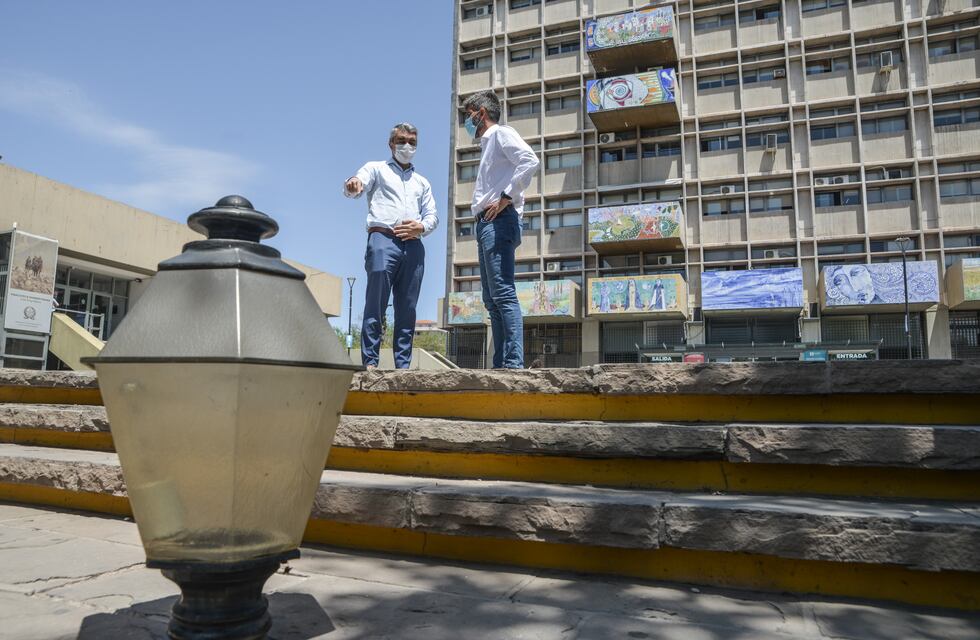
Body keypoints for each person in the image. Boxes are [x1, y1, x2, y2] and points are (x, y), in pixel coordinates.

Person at [344, 123, 438, 369]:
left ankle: (403, 366)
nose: (407, 146)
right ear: (391, 144)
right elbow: (357, 183)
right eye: (401, 140)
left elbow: (432, 216)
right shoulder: (376, 169)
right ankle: (371, 363)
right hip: (383, 240)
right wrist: (353, 184)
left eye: (412, 142)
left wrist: (422, 227)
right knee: (376, 302)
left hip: (414, 246)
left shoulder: (422, 183)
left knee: (407, 307)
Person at [462, 90, 540, 369]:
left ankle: (513, 362)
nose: (466, 120)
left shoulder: (500, 134)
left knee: (503, 292)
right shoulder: (488, 144)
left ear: (480, 113)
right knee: (491, 299)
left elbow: (530, 160)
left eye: (468, 113)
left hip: (499, 220)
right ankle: (501, 363)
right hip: (486, 222)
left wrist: (507, 196)